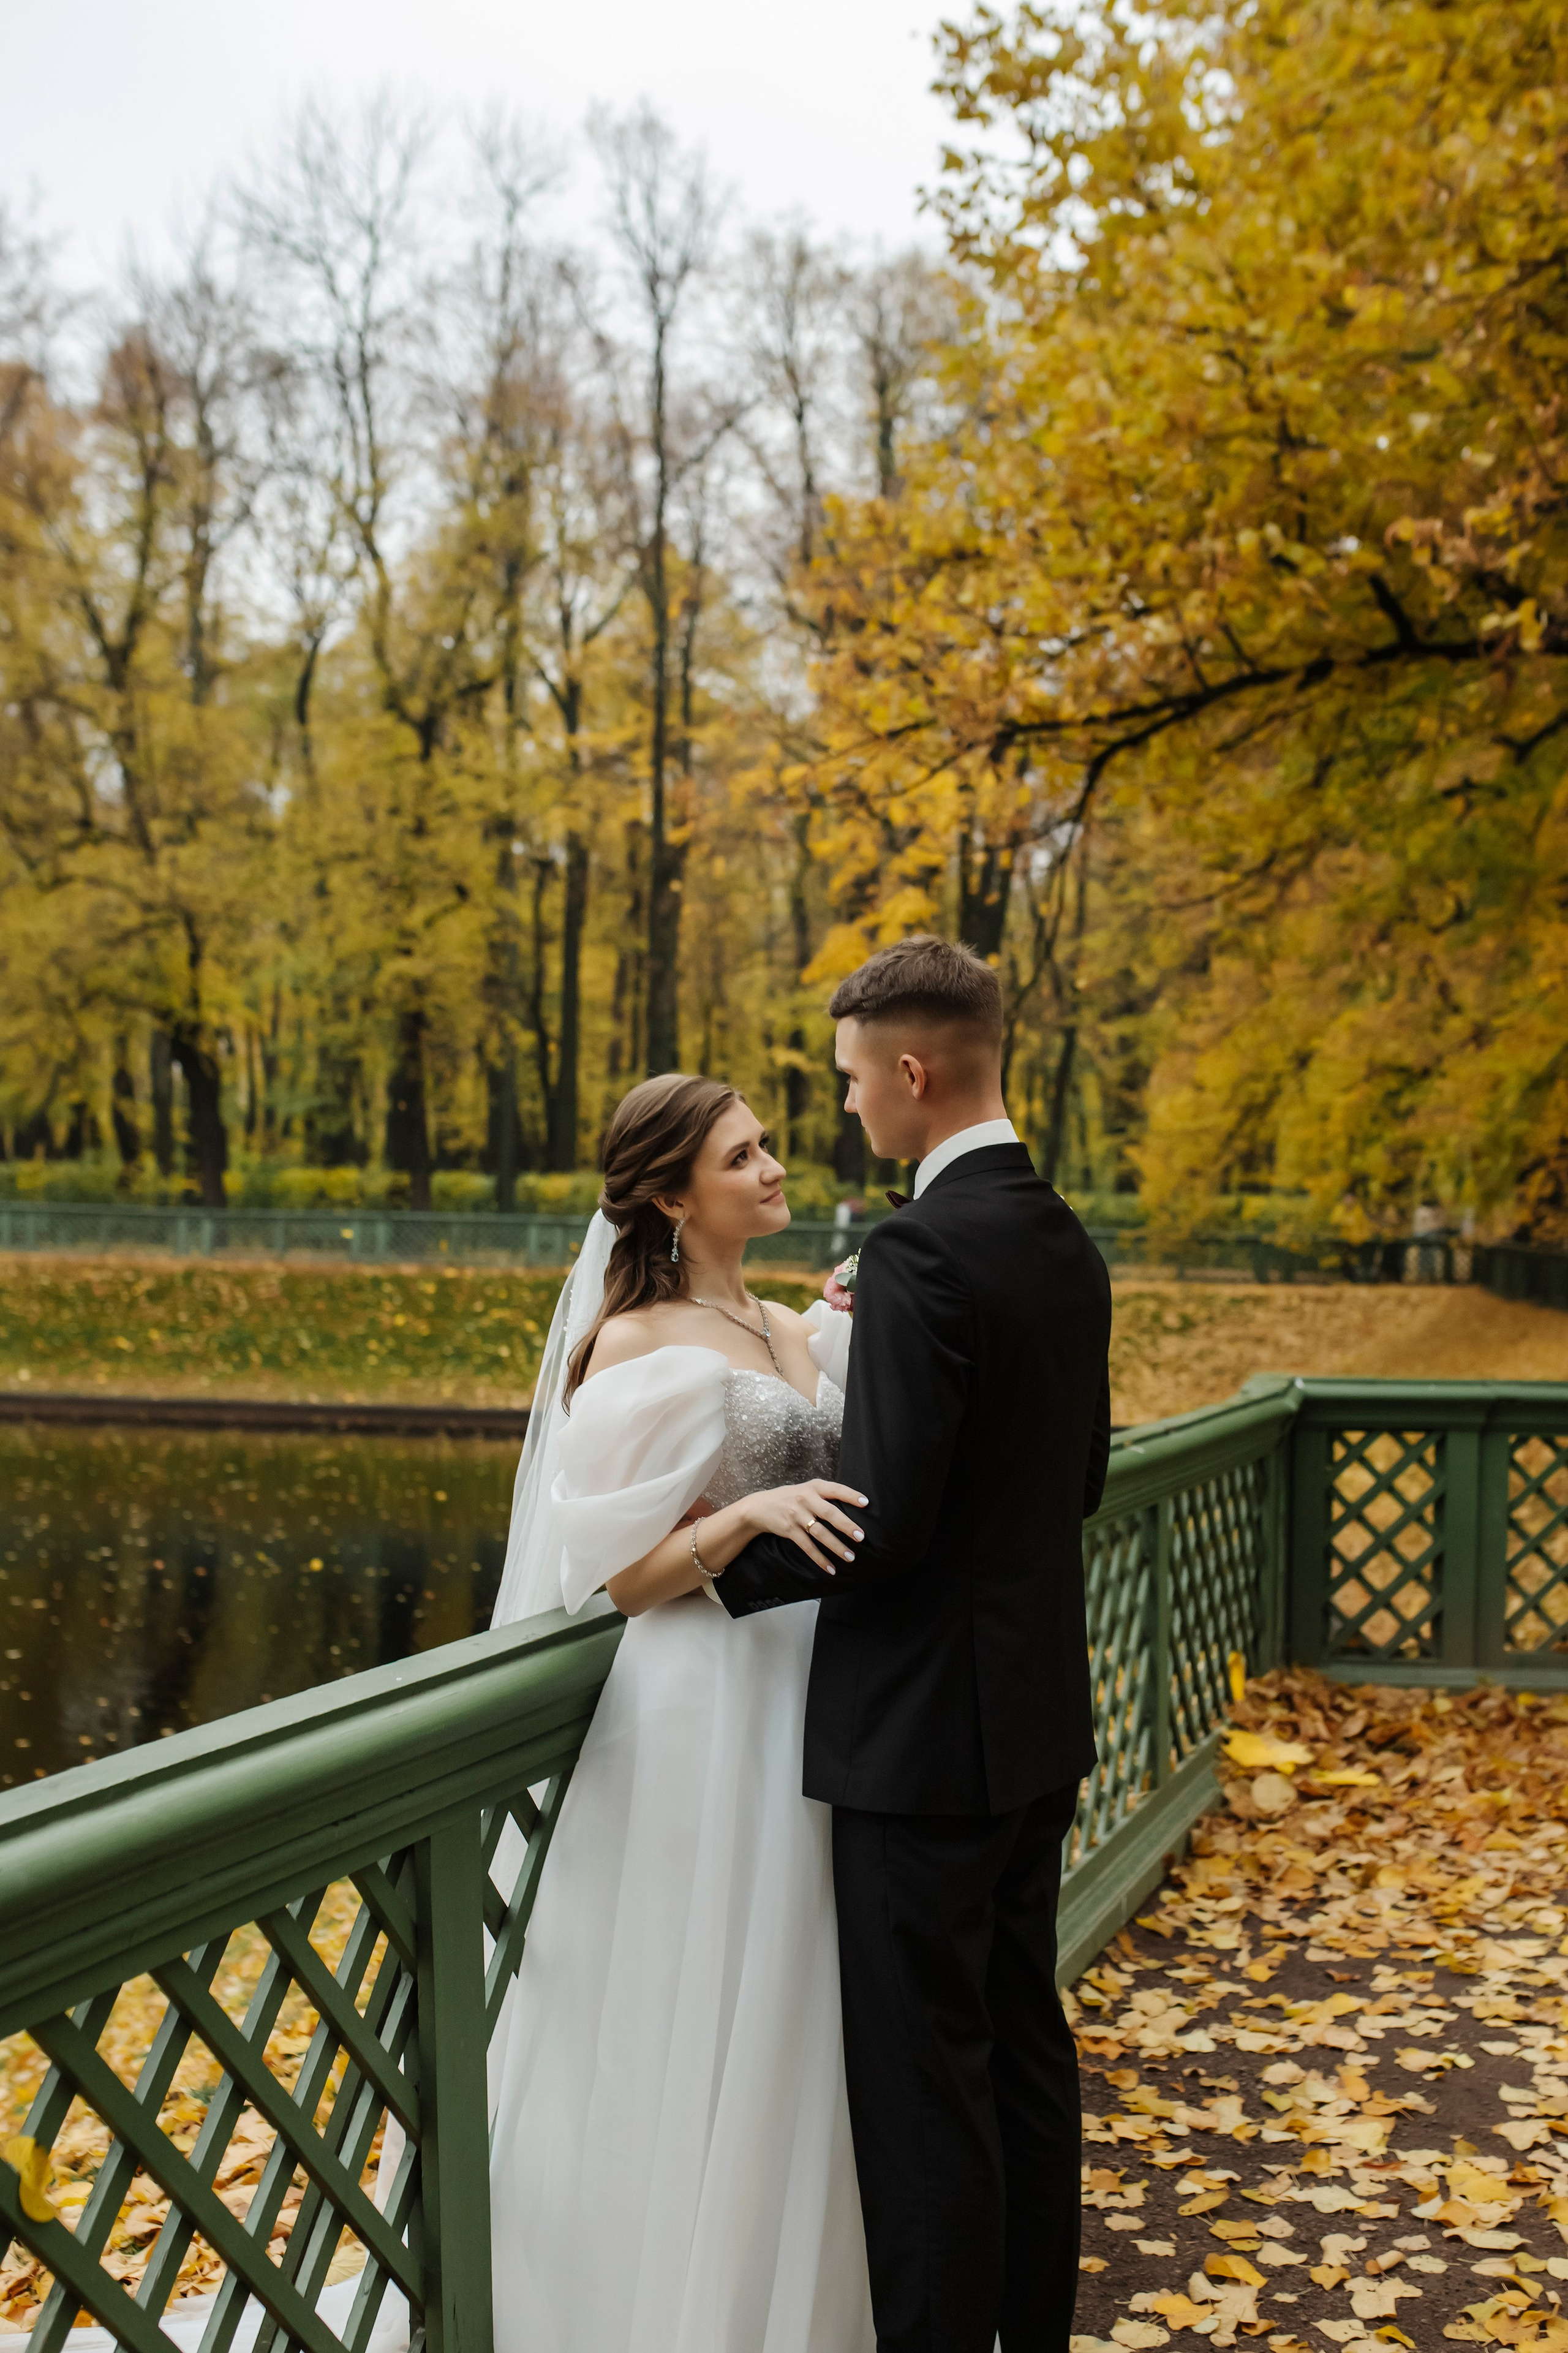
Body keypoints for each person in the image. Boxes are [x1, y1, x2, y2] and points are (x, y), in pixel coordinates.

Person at [714, 935, 1113, 2353]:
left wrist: (712, 1569)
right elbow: (1077, 1479)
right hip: (1032, 1720)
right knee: (1019, 2053)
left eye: (848, 1080)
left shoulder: (919, 1251)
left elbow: (875, 1524)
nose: (845, 1106)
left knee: (919, 2087)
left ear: (910, 1070)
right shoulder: (1060, 1236)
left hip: (916, 1743)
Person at [483, 1071, 876, 2352]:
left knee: (794, 1995)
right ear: (668, 1195)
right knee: (696, 1989)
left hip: (810, 1685)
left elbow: (843, 1453)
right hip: (703, 1701)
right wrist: (744, 1518)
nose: (774, 1167)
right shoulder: (634, 1347)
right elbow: (616, 1578)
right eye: (741, 1156)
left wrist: (848, 1327)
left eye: (768, 1146)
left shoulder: (779, 1321)